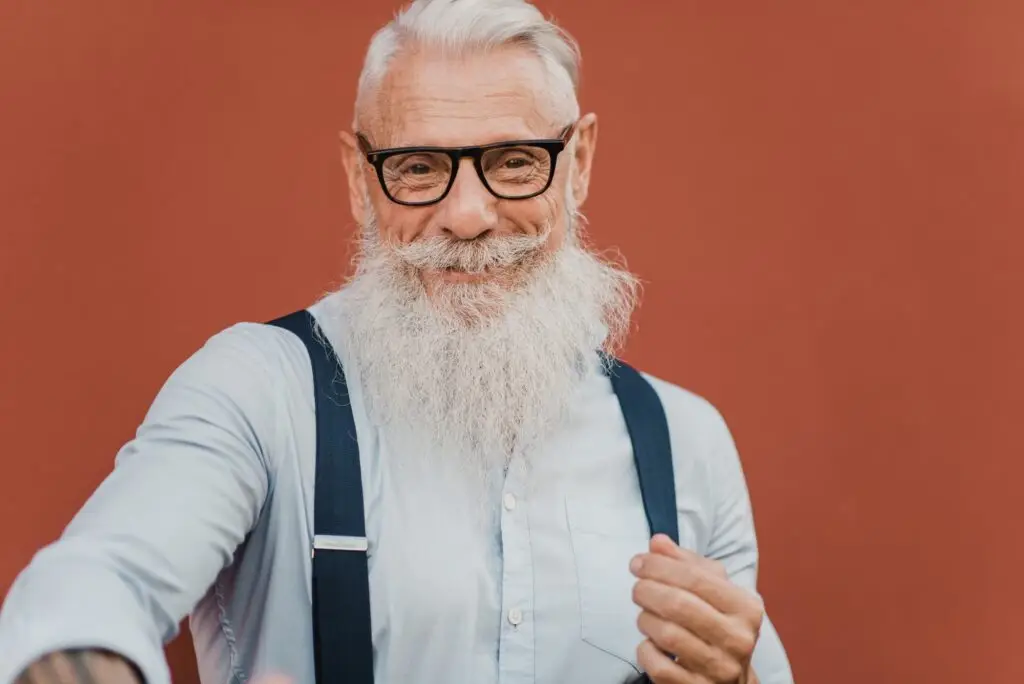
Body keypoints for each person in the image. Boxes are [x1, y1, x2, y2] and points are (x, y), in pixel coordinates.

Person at [0, 1, 796, 683]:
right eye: (418, 169)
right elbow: (91, 586)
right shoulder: (259, 392)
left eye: (516, 162)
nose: (469, 215)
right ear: (359, 178)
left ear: (578, 162)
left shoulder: (687, 444)